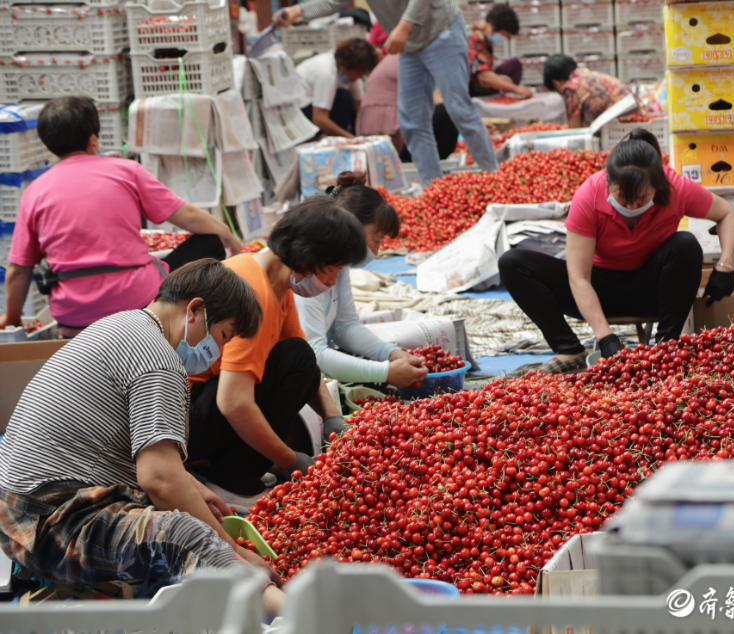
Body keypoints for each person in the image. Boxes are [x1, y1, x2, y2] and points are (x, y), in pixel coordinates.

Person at [0, 260, 285, 613]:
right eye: (223, 336)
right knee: (183, 534)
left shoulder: (124, 325)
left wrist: (195, 491)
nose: (220, 352)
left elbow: (157, 466)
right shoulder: (158, 360)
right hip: (49, 521)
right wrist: (233, 550)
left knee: (193, 508)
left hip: (20, 504)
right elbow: (159, 479)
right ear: (195, 310)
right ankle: (292, 612)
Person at [498, 130, 734, 374]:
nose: (631, 206)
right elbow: (578, 277)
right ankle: (570, 349)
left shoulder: (675, 187)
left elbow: (727, 213)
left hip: (650, 288)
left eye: (641, 197)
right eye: (622, 197)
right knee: (512, 262)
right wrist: (606, 338)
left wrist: (726, 265)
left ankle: (667, 347)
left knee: (685, 244)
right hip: (598, 290)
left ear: (657, 184)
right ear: (608, 182)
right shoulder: (589, 195)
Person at [0, 96, 242, 338]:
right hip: (137, 303)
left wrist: (12, 318)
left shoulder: (34, 192)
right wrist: (227, 234)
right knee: (210, 241)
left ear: (47, 144)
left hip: (73, 316)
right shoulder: (125, 171)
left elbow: (19, 269)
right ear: (93, 140)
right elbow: (187, 216)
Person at [187, 196, 368, 511]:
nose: (332, 281)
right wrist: (288, 459)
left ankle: (229, 467)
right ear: (302, 255)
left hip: (200, 411)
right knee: (295, 358)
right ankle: (231, 482)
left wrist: (332, 417)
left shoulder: (274, 284)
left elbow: (306, 366)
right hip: (182, 421)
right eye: (331, 269)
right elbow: (233, 402)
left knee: (300, 357)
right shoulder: (253, 294)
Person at [277, 0, 499, 185]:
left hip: (440, 30)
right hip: (411, 45)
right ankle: (434, 188)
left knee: (459, 109)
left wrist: (403, 28)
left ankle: (494, 179)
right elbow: (335, 1)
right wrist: (297, 11)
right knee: (412, 122)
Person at [296, 172, 428, 388]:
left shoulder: (337, 262)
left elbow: (345, 325)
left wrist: (390, 353)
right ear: (352, 228)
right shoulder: (307, 272)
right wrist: (385, 371)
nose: (376, 251)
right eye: (377, 240)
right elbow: (314, 352)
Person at [356, 53, 459, 162]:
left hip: (374, 128)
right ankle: (436, 167)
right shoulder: (411, 60)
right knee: (449, 112)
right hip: (389, 130)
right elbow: (436, 99)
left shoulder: (398, 59)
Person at [298, 38, 382, 139]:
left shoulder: (349, 73)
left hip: (317, 109)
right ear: (346, 67)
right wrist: (351, 139)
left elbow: (359, 107)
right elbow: (319, 118)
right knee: (345, 98)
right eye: (359, 73)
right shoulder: (326, 72)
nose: (360, 77)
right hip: (301, 111)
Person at [543, 54, 635, 128]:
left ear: (556, 84)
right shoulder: (587, 74)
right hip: (637, 116)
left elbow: (574, 129)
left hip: (623, 124)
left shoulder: (571, 88)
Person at [468, 4, 529, 98]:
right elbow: (482, 75)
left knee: (515, 65)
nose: (504, 39)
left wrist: (498, 79)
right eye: (504, 35)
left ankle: (505, 94)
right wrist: (516, 89)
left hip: (481, 81)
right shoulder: (474, 38)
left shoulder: (485, 39)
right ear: (492, 25)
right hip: (471, 87)